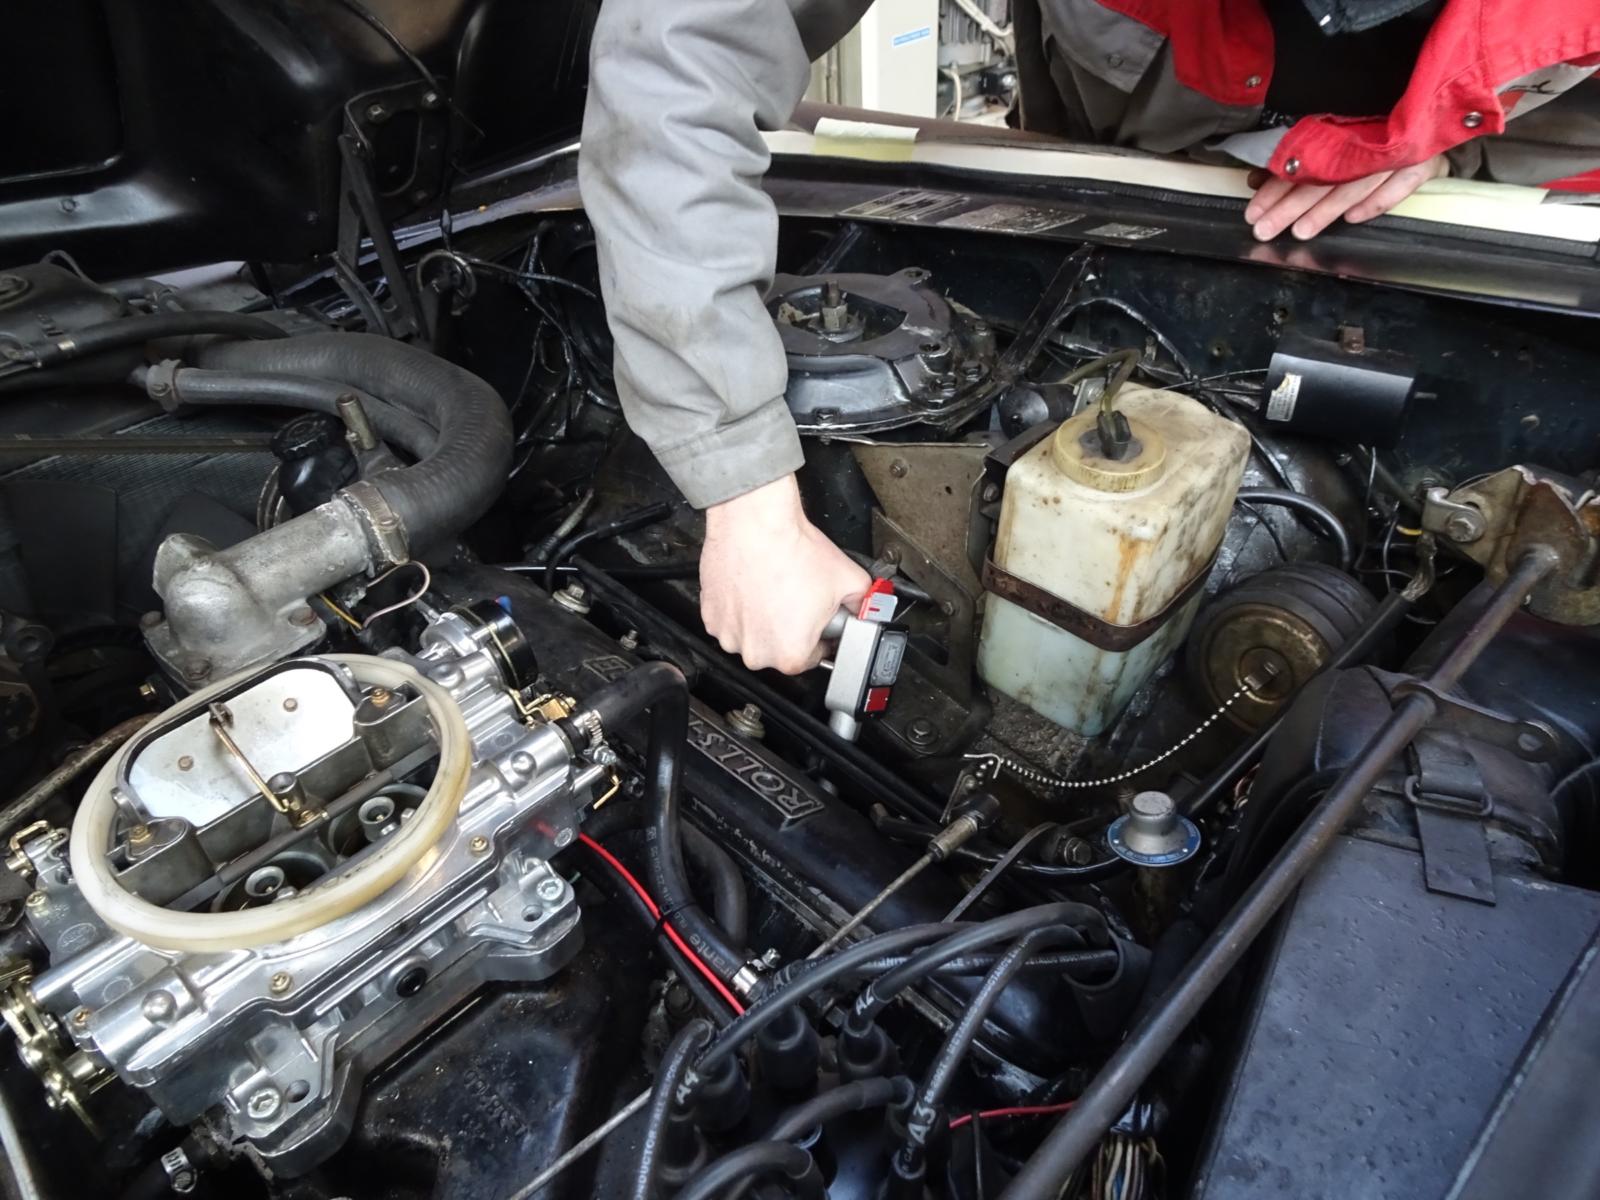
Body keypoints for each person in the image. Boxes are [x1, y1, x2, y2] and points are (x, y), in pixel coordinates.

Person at [578, 0, 1600, 675]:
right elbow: (681, 57)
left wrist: (1454, 122)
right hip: (1146, 121)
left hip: (1525, 153)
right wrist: (749, 506)